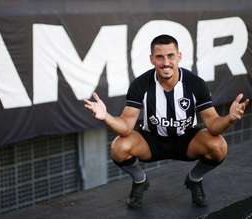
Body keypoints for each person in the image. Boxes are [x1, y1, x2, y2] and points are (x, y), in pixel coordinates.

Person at [84, 34, 249, 208]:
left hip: (186, 140)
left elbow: (214, 126)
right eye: (159, 57)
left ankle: (194, 179)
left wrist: (230, 119)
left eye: (170, 56)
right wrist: (106, 117)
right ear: (151, 59)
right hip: (151, 141)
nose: (166, 62)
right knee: (119, 147)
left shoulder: (195, 84)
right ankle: (140, 180)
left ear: (179, 56)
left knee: (219, 146)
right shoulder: (140, 85)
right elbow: (125, 127)